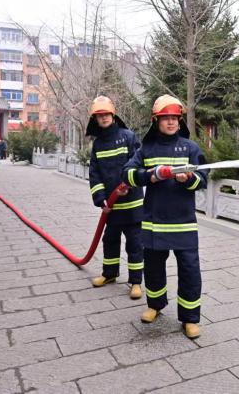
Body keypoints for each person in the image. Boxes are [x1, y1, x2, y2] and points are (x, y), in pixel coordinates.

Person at [122, 95, 208, 339]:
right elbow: (127, 174)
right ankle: (155, 305)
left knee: (190, 270)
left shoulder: (190, 148)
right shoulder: (147, 149)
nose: (171, 122)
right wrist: (151, 175)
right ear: (156, 121)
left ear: (179, 121)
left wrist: (189, 178)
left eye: (174, 118)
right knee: (153, 268)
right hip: (154, 223)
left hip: (183, 224)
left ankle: (190, 318)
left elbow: (203, 179)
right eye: (165, 118)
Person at [87, 95, 144, 300]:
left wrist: (129, 183)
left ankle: (135, 282)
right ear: (95, 119)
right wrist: (101, 199)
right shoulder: (98, 144)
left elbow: (138, 163)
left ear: (113, 115)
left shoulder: (128, 136)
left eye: (106, 114)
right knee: (109, 240)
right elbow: (95, 174)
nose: (104, 118)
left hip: (132, 205)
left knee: (135, 244)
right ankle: (109, 274)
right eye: (99, 115)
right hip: (111, 207)